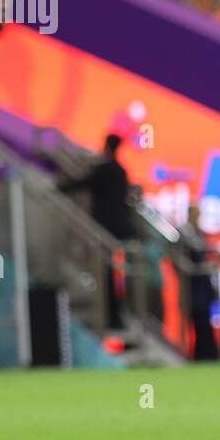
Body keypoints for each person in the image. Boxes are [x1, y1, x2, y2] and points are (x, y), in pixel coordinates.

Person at [60, 133, 135, 329]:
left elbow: (84, 182)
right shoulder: (121, 170)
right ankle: (118, 315)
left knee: (107, 274)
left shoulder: (106, 169)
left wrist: (60, 187)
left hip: (105, 229)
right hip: (117, 229)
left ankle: (114, 316)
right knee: (113, 274)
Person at [179, 204, 219, 362]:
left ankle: (207, 355)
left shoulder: (198, 233)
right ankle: (198, 355)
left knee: (204, 323)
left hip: (203, 285)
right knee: (197, 321)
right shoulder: (184, 233)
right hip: (193, 286)